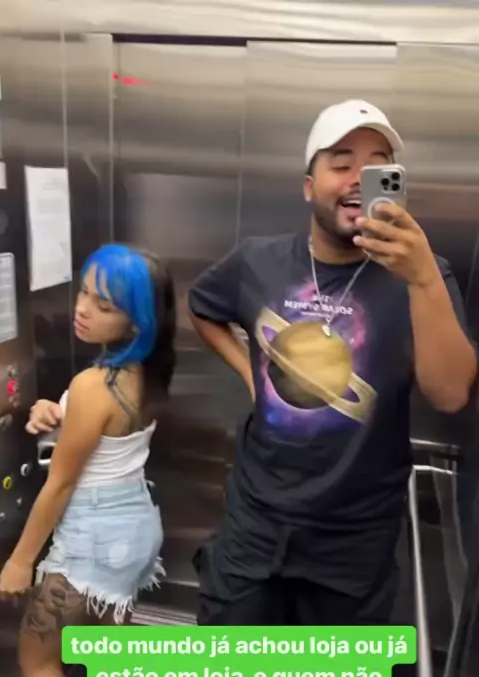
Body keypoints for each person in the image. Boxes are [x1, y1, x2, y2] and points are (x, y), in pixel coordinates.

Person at [188, 99, 477, 627]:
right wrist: (251, 375)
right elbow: (202, 306)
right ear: (308, 186)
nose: (357, 181)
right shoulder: (257, 261)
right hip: (255, 526)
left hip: (354, 544)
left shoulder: (425, 276)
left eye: (376, 168)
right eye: (342, 164)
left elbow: (451, 393)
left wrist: (422, 279)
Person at [0, 244, 176, 677]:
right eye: (83, 293)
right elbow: (101, 432)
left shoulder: (93, 383)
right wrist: (60, 411)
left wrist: (20, 561)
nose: (82, 309)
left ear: (136, 320)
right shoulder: (145, 372)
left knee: (37, 659)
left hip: (92, 539)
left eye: (104, 305)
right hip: (134, 530)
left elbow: (62, 484)